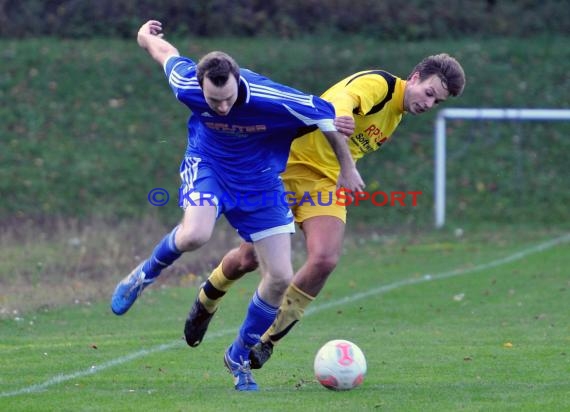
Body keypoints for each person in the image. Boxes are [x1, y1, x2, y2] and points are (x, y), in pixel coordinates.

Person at [110, 20, 364, 392]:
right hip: (209, 166)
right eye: (215, 101)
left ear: (237, 80)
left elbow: (324, 113)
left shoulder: (270, 96)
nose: (224, 106)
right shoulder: (187, 85)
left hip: (260, 181)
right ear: (202, 87)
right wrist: (144, 36)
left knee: (279, 276)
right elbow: (166, 53)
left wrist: (347, 166)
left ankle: (239, 356)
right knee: (196, 233)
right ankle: (143, 275)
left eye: (229, 97)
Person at [183, 54, 466, 368]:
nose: (429, 103)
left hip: (325, 185)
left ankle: (265, 341)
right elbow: (343, 100)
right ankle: (208, 297)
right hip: (286, 168)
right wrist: (343, 132)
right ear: (414, 77)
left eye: (436, 101)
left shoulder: (396, 114)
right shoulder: (381, 85)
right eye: (428, 93)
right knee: (249, 258)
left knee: (325, 258)